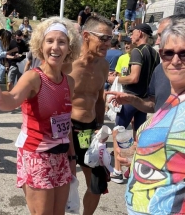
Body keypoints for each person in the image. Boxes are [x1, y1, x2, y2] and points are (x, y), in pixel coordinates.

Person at [0, 16, 80, 215]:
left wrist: (72, 157)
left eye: (62, 41)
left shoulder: (70, 82)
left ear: (69, 47)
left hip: (61, 157)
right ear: (41, 45)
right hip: (37, 155)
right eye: (49, 41)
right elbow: (12, 98)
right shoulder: (34, 77)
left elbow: (65, 124)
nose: (55, 47)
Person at [125, 22, 185, 215]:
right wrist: (139, 157)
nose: (175, 60)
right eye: (168, 53)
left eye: (184, 53)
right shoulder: (172, 99)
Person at [64, 15, 113, 215]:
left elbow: (100, 99)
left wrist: (100, 127)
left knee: (97, 181)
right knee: (62, 184)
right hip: (65, 129)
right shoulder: (68, 63)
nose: (108, 44)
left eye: (111, 39)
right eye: (103, 38)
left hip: (88, 130)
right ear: (86, 36)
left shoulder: (104, 65)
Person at [107, 23, 160, 184]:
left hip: (131, 97)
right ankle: (132, 168)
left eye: (133, 31)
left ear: (141, 33)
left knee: (118, 131)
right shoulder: (155, 54)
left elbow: (133, 78)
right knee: (138, 135)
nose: (131, 34)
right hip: (144, 100)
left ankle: (117, 170)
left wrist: (113, 79)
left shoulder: (138, 51)